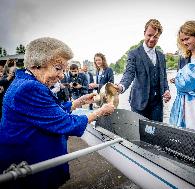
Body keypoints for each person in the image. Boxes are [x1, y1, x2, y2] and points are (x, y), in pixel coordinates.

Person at [0, 37, 115, 189]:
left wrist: (77, 102)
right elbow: (65, 123)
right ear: (36, 66)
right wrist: (100, 111)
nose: (62, 75)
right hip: (30, 163)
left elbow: (48, 111)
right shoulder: (30, 88)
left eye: (64, 70)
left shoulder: (25, 81)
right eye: (57, 68)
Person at [115, 19, 171, 122]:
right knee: (139, 136)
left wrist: (166, 90)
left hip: (157, 105)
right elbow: (129, 73)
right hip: (139, 103)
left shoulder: (161, 56)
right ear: (144, 33)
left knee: (156, 135)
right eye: (149, 35)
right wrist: (121, 87)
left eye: (156, 37)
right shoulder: (134, 54)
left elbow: (163, 77)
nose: (152, 39)